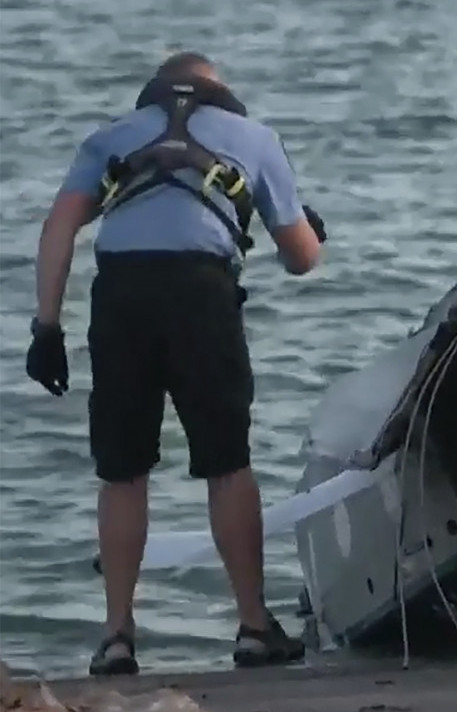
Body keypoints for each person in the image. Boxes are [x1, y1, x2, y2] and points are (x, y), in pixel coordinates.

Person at [25, 51, 328, 676]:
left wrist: (46, 327)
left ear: (154, 91)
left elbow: (58, 228)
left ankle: (116, 636)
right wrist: (310, 232)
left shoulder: (109, 137)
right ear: (222, 92)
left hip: (121, 295)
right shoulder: (254, 138)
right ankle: (252, 627)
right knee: (227, 462)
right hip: (201, 293)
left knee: (122, 470)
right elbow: (302, 258)